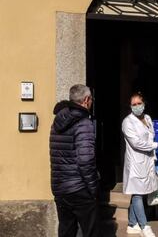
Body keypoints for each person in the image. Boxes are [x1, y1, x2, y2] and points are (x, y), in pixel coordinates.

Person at [50, 84, 99, 237]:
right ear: (86, 100)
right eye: (91, 99)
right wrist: (93, 187)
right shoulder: (84, 123)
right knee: (91, 231)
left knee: (66, 230)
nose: (91, 102)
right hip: (79, 188)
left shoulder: (57, 121)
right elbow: (85, 160)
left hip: (60, 187)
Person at [122, 92, 158, 237]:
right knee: (138, 194)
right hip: (136, 162)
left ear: (144, 104)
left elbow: (150, 135)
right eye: (133, 104)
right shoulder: (128, 122)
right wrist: (157, 146)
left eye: (139, 103)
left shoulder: (147, 118)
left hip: (147, 161)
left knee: (140, 192)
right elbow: (137, 143)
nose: (137, 107)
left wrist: (154, 156)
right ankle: (144, 226)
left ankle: (132, 224)